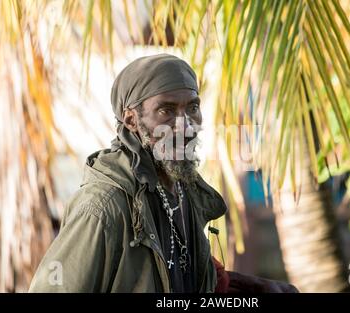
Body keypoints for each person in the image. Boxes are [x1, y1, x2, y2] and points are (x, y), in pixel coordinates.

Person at [29, 54, 298, 293]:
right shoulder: (103, 206)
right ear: (131, 119)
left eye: (193, 107)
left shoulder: (183, 188)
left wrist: (250, 285)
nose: (185, 125)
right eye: (166, 111)